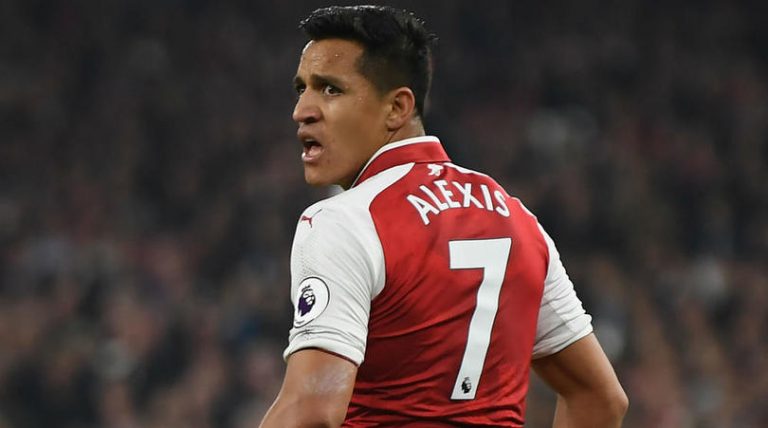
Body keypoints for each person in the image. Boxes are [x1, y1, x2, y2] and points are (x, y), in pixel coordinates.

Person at [260, 5, 628, 427]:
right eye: (301, 88)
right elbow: (601, 398)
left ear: (397, 108)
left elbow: (311, 410)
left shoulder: (344, 222)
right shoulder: (517, 220)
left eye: (330, 90)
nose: (302, 110)